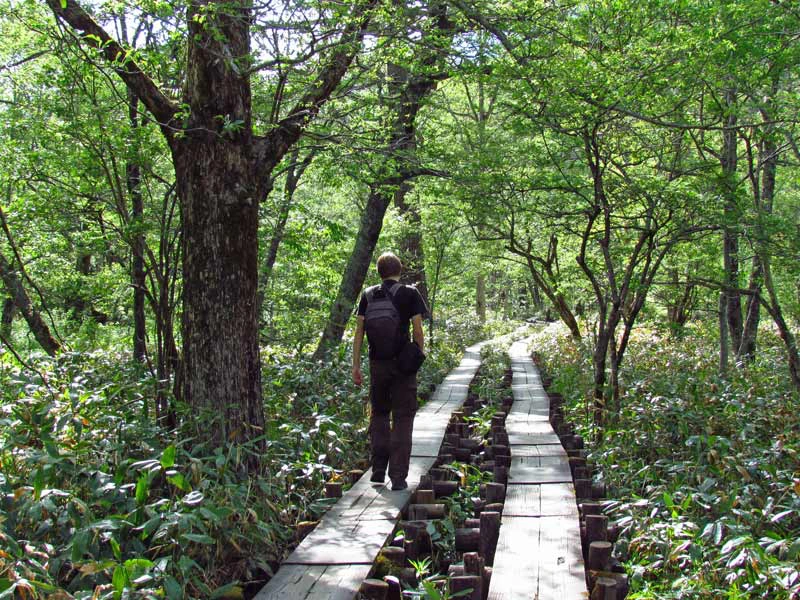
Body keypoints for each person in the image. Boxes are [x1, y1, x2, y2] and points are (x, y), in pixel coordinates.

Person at [352, 252, 427, 491]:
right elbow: (418, 331)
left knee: (380, 415)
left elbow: (359, 333)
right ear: (400, 270)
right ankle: (398, 477)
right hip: (403, 365)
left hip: (377, 365)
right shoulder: (410, 293)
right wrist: (416, 356)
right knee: (403, 417)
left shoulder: (368, 295)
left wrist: (355, 365)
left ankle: (377, 469)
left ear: (379, 272)